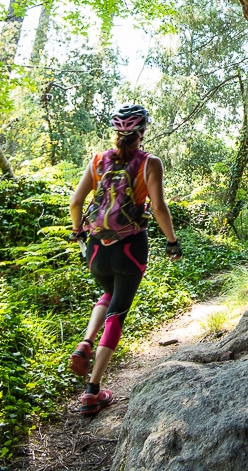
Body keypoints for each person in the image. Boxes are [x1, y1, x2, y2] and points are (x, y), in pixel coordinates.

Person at [68, 103, 181, 415]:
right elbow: (158, 208)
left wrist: (78, 232)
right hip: (130, 247)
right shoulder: (150, 162)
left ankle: (86, 342)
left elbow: (76, 202)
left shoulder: (98, 160)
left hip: (94, 248)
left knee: (106, 294)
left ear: (117, 132)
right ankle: (92, 390)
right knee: (117, 312)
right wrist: (172, 241)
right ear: (142, 131)